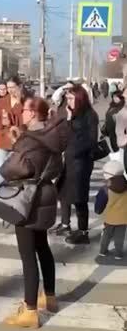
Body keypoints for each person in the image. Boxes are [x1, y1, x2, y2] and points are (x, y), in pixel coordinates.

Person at [0, 97, 65, 329]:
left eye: (26, 110)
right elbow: (56, 167)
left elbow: (10, 169)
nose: (23, 113)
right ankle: (50, 297)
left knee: (28, 255)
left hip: (28, 199)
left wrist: (16, 143)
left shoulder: (30, 140)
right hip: (46, 193)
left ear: (34, 113)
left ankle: (29, 311)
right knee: (42, 246)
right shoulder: (52, 137)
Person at [53, 85, 99, 244]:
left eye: (71, 99)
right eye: (67, 99)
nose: (68, 102)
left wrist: (75, 151)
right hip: (68, 160)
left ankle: (83, 231)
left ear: (80, 98)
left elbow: (91, 140)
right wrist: (68, 119)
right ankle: (66, 224)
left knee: (79, 197)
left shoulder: (90, 115)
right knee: (63, 193)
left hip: (81, 162)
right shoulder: (71, 113)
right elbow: (65, 135)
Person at [95, 160, 127, 260]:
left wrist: (98, 211)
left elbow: (100, 204)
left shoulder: (105, 189)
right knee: (120, 237)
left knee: (106, 235)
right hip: (123, 218)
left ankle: (103, 251)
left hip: (109, 218)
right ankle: (118, 253)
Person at [0, 76, 22, 183]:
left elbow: (25, 122)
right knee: (0, 169)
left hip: (18, 141)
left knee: (16, 171)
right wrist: (2, 123)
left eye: (13, 87)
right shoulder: (2, 102)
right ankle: (0, 190)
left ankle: (13, 191)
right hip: (3, 139)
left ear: (19, 87)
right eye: (8, 87)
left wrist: (19, 102)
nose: (10, 90)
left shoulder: (24, 102)